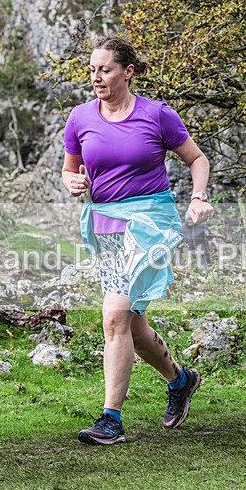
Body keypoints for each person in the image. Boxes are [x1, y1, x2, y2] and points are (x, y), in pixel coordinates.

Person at [62, 36, 214, 445]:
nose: (96, 77)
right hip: (107, 227)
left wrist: (198, 197)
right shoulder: (80, 117)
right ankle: (180, 380)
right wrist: (72, 182)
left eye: (105, 69)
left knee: (114, 316)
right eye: (92, 70)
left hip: (150, 226)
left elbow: (197, 159)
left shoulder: (157, 115)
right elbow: (69, 169)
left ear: (128, 72)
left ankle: (111, 420)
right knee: (134, 324)